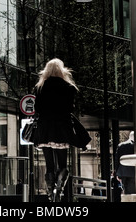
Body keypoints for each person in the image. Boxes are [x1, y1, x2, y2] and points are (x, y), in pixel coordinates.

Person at [32, 58, 91, 202]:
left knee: (49, 165)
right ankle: (59, 187)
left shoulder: (40, 87)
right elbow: (70, 108)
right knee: (63, 164)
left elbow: (37, 109)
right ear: (61, 70)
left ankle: (51, 192)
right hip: (61, 128)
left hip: (45, 128)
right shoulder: (68, 87)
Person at [115, 131, 136, 196]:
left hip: (123, 172)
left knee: (126, 190)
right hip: (134, 172)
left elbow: (117, 160)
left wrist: (117, 173)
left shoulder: (121, 145)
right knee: (133, 191)